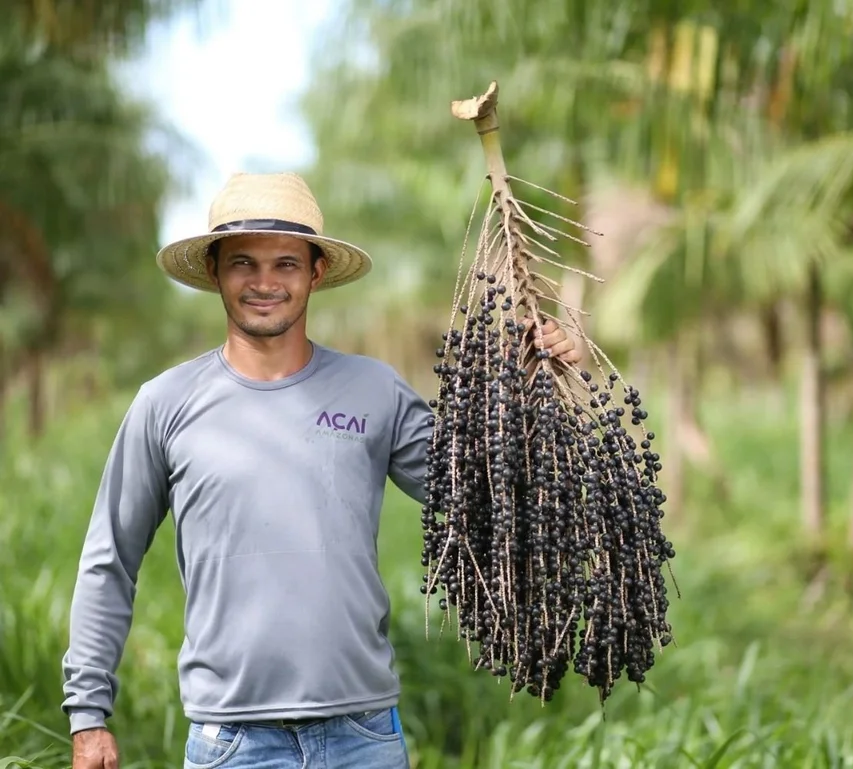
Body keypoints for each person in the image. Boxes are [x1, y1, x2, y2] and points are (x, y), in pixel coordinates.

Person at [61, 171, 583, 769]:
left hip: (363, 735)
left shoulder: (373, 389)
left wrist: (529, 383)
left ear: (315, 272)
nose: (264, 283)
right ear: (214, 271)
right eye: (243, 264)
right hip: (232, 742)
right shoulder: (165, 403)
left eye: (285, 263)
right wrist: (87, 715)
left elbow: (481, 484)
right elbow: (110, 561)